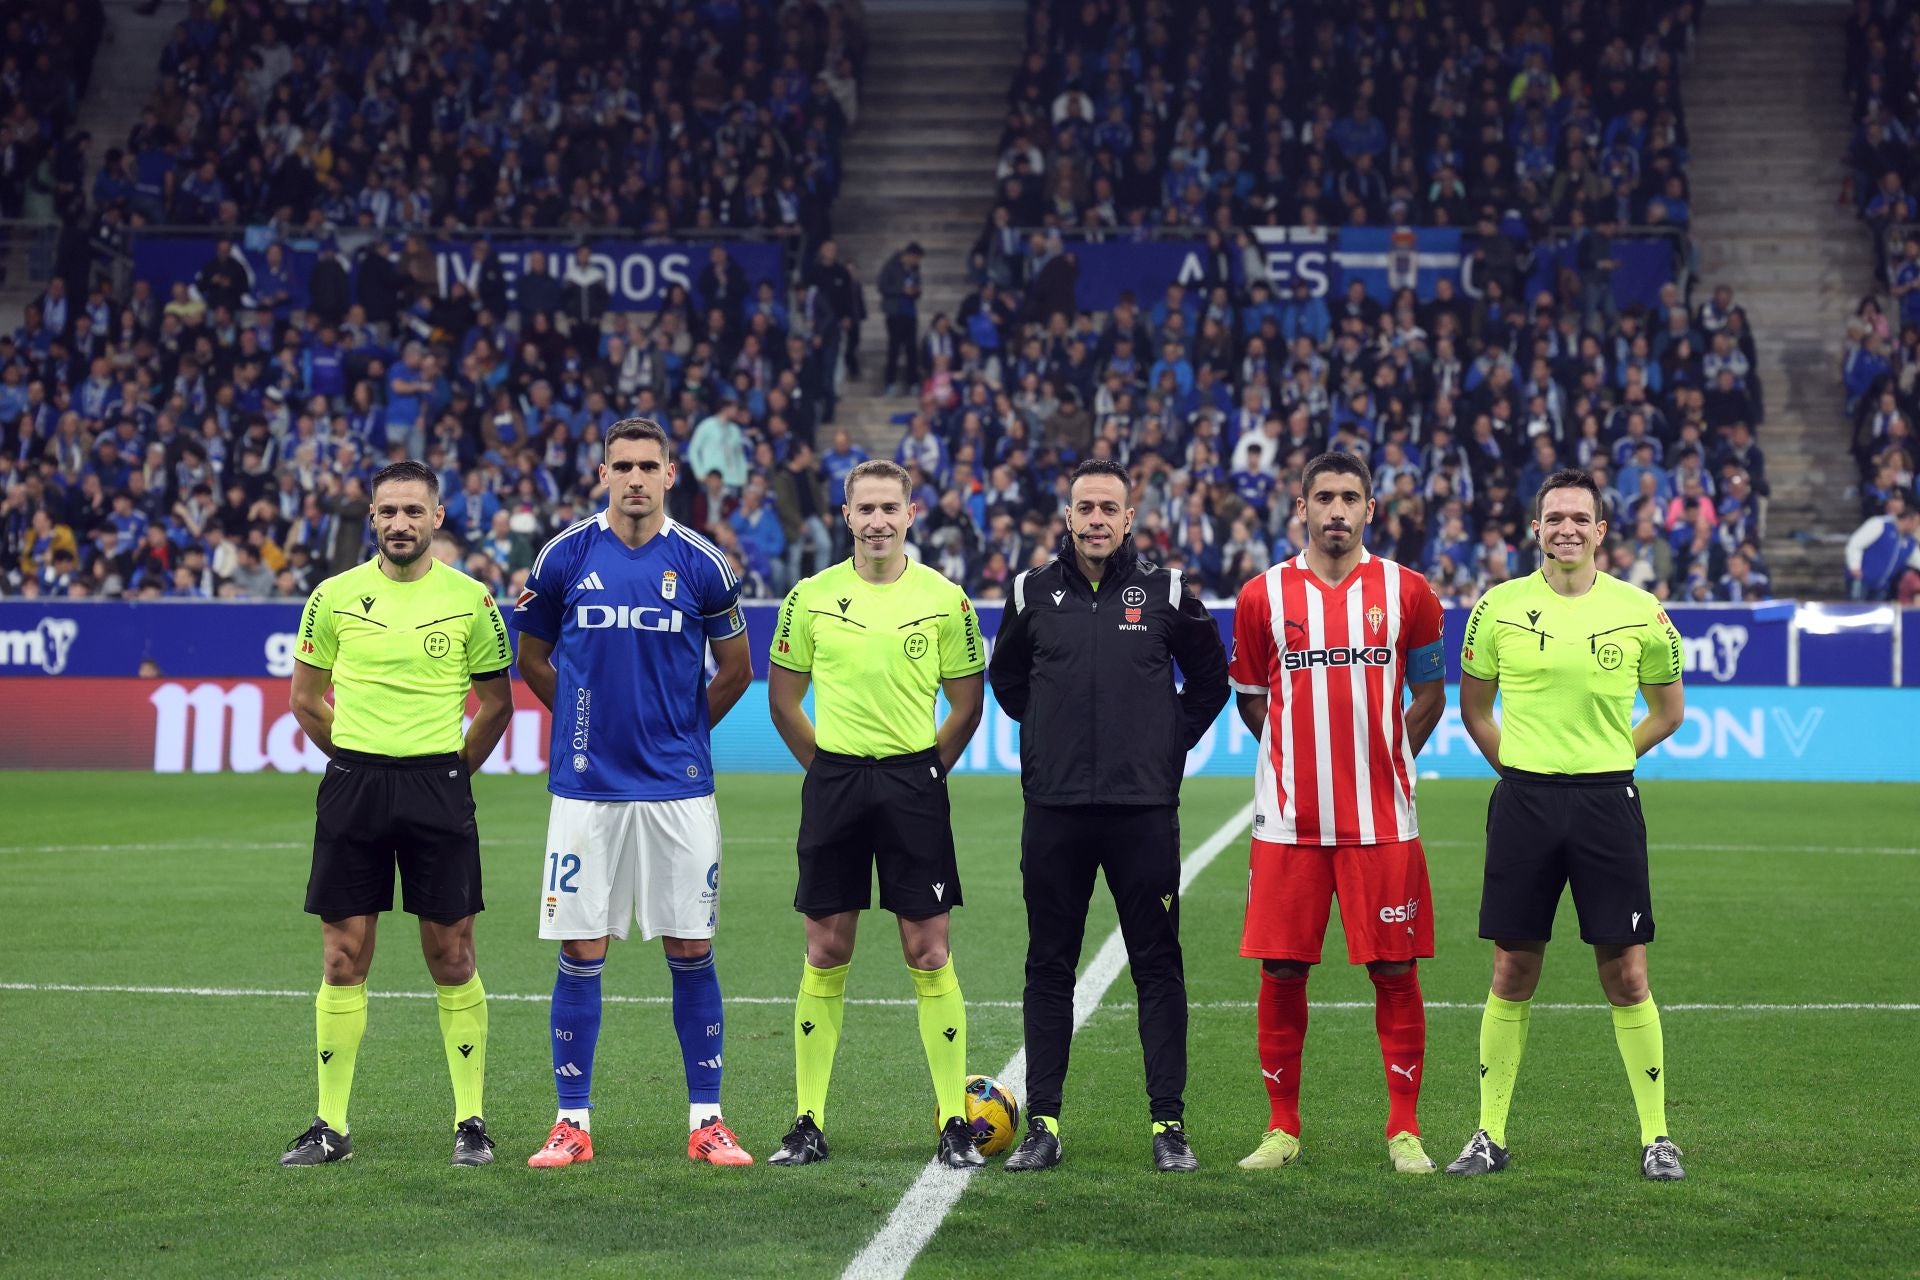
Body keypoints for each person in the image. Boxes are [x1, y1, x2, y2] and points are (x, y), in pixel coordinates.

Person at [509, 418, 756, 1169]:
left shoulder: (703, 564)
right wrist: (583, 726)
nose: (636, 478)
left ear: (671, 473)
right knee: (582, 947)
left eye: (649, 465)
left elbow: (736, 669)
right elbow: (535, 658)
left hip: (678, 791)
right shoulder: (564, 555)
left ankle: (707, 1121)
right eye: (624, 465)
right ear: (603, 471)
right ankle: (571, 1122)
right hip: (586, 791)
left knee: (691, 945)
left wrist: (681, 737)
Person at [986, 458, 1229, 1173]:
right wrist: (1048, 738)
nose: (1095, 520)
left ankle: (1168, 1127)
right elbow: (1007, 679)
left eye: (1108, 509)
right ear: (1067, 516)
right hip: (1055, 811)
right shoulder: (1030, 592)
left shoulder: (1167, 591)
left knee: (1157, 966)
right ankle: (1044, 1125)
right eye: (1084, 507)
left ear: (1130, 518)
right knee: (1048, 964)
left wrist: (1166, 739)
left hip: (1143, 813)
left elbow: (1211, 679)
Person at [1445, 468, 1688, 1181]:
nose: (1567, 530)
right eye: (1555, 518)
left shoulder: (1642, 611)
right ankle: (1489, 1134)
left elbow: (1670, 712)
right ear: (1536, 528)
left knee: (1627, 972)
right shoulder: (1498, 607)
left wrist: (1614, 756)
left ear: (1602, 530)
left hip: (1606, 804)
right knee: (1511, 967)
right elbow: (1475, 709)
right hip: (1523, 803)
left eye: (1580, 519)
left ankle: (1656, 1137)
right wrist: (1519, 765)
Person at [279, 459, 516, 1167]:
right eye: (388, 512)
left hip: (436, 787)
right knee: (342, 956)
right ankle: (330, 1126)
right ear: (373, 516)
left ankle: (470, 1123)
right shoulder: (333, 596)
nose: (400, 523)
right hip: (354, 786)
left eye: (414, 511)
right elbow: (304, 698)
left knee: (453, 954)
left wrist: (449, 771)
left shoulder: (472, 599)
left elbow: (497, 702)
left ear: (437, 517)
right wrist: (353, 757)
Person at [1225, 451, 1448, 1176]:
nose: (1337, 511)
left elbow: (1430, 695)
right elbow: (1251, 697)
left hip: (1383, 823)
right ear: (1301, 507)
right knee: (1283, 970)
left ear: (1371, 509)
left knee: (1393, 970)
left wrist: (1389, 758)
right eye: (1324, 497)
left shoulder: (1409, 591)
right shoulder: (1262, 595)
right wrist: (1293, 756)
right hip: (1290, 823)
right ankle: (1281, 1129)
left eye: (1350, 497)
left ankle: (1404, 1130)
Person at [765, 459, 986, 1167]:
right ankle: (807, 1121)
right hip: (836, 782)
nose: (878, 521)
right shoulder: (810, 596)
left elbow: (967, 702)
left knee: (929, 950)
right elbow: (784, 697)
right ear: (846, 515)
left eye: (890, 508)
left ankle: (954, 1121)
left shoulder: (945, 599)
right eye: (866, 509)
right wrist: (826, 769)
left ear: (911, 514)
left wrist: (923, 771)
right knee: (826, 949)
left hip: (912, 783)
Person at [878, 242, 924, 396]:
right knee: (894, 349)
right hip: (895, 313)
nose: (917, 262)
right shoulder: (892, 265)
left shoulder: (915, 269)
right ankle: (889, 383)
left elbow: (917, 287)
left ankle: (913, 383)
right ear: (909, 255)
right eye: (916, 258)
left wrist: (916, 291)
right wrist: (902, 290)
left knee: (912, 350)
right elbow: (882, 286)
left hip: (910, 313)